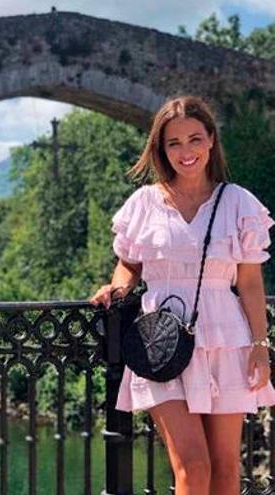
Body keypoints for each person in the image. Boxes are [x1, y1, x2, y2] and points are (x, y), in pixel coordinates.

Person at [90, 95, 275, 495]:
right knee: (192, 465)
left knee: (226, 469)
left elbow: (249, 283)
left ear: (211, 140)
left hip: (226, 340)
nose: (185, 151)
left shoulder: (238, 203)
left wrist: (260, 344)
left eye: (194, 139)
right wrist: (118, 286)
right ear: (161, 149)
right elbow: (129, 264)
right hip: (161, 340)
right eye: (174, 143)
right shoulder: (144, 203)